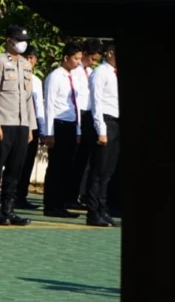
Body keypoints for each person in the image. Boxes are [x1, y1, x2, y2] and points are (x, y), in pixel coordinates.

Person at [0, 26, 37, 226]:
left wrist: (31, 127)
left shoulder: (26, 64)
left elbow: (28, 98)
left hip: (22, 124)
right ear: (9, 40)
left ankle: (9, 209)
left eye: (23, 39)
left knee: (15, 168)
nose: (21, 43)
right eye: (18, 39)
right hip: (4, 123)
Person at [41, 42, 83, 218]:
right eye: (76, 58)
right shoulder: (55, 77)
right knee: (56, 167)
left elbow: (76, 105)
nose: (78, 62)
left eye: (80, 58)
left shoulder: (74, 77)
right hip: (58, 125)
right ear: (66, 58)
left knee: (66, 167)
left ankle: (61, 204)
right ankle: (51, 205)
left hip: (71, 125)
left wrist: (79, 130)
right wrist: (48, 132)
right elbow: (49, 105)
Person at [83, 42, 120, 227]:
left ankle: (102, 209)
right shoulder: (100, 73)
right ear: (111, 53)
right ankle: (92, 211)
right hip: (103, 122)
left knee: (108, 172)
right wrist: (101, 129)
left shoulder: (116, 74)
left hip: (116, 123)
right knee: (97, 171)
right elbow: (96, 103)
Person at [70, 38, 103, 209]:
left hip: (89, 116)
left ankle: (77, 195)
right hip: (77, 116)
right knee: (74, 159)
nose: (93, 62)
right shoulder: (74, 72)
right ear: (84, 54)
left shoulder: (91, 73)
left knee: (85, 160)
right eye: (92, 58)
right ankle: (68, 195)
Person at [15, 46, 44, 210]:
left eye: (32, 58)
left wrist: (43, 128)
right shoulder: (16, 76)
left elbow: (39, 105)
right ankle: (9, 195)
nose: (29, 60)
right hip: (18, 122)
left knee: (28, 162)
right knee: (16, 161)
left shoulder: (37, 81)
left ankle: (21, 195)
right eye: (27, 57)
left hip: (33, 124)